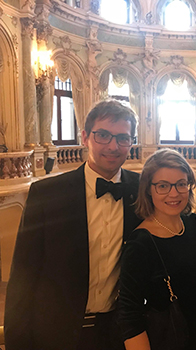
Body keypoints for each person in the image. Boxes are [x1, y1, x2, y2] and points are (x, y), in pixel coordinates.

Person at [5, 100, 142, 350]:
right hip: (57, 334)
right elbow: (23, 276)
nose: (113, 146)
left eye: (123, 138)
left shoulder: (143, 191)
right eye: (103, 135)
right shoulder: (46, 194)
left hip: (120, 333)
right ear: (85, 137)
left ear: (131, 143)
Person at [118, 149, 196, 350]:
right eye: (163, 186)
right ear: (148, 190)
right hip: (168, 339)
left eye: (181, 184)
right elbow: (129, 315)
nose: (174, 193)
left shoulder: (193, 225)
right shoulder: (140, 244)